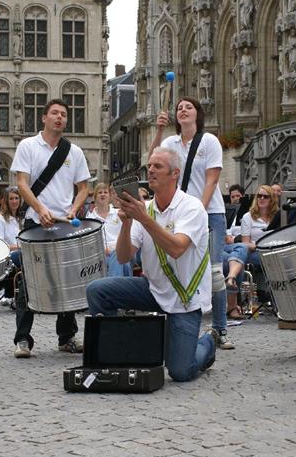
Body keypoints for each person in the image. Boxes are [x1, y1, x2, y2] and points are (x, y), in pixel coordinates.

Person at [86, 147, 217, 382]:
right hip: (154, 289)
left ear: (175, 173)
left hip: (184, 297)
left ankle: (207, 343)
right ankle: (117, 349)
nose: (151, 171)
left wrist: (143, 218)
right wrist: (127, 224)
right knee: (97, 290)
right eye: (150, 166)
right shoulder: (144, 209)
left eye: (158, 166)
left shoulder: (191, 207)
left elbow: (177, 248)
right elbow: (124, 257)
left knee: (180, 372)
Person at [150, 96, 233, 349]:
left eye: (188, 107)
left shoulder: (209, 141)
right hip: (178, 215)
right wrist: (159, 130)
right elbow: (152, 162)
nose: (183, 110)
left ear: (198, 113)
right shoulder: (170, 143)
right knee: (176, 268)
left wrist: (199, 210)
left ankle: (220, 328)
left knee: (214, 272)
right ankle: (178, 324)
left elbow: (212, 180)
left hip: (210, 212)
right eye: (179, 108)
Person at [11, 98, 90, 358]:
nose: (59, 118)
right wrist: (40, 208)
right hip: (35, 221)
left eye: (64, 114)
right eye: (54, 113)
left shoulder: (74, 152)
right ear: (44, 118)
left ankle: (66, 337)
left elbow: (83, 188)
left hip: (64, 223)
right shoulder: (28, 146)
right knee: (30, 280)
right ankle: (23, 339)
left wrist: (74, 208)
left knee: (67, 278)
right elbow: (22, 183)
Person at [222, 185, 277, 319]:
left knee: (237, 259)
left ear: (272, 199)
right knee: (242, 252)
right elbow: (245, 242)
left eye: (265, 196)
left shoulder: (277, 216)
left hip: (273, 250)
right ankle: (234, 293)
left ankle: (231, 279)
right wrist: (259, 246)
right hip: (254, 250)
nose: (261, 199)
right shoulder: (248, 216)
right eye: (259, 196)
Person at [86, 183, 131, 277]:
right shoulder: (90, 219)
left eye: (105, 192)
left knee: (118, 255)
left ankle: (113, 285)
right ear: (94, 197)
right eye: (100, 192)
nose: (103, 194)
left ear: (110, 197)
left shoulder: (119, 213)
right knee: (125, 265)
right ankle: (119, 284)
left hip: (121, 250)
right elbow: (90, 244)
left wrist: (115, 248)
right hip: (101, 255)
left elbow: (128, 234)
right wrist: (102, 250)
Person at [0, 186, 23, 305]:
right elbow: (0, 245)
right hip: (7, 257)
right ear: (6, 201)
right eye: (11, 199)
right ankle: (14, 295)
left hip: (21, 253)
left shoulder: (20, 219)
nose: (14, 201)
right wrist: (20, 247)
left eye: (16, 198)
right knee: (23, 256)